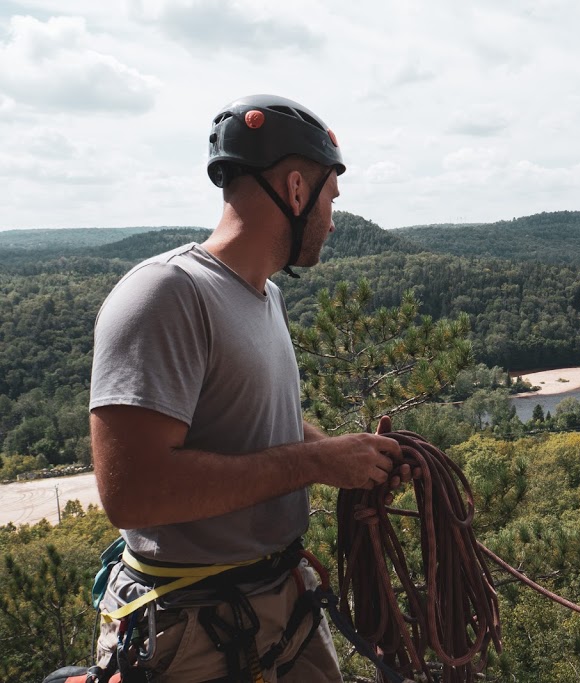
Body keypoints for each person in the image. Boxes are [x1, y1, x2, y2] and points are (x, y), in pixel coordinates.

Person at [88, 94, 408, 682]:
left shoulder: (265, 295)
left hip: (281, 600)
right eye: (330, 198)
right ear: (294, 189)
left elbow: (262, 423)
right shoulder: (166, 293)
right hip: (192, 631)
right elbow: (131, 493)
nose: (333, 219)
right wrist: (314, 460)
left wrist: (348, 455)